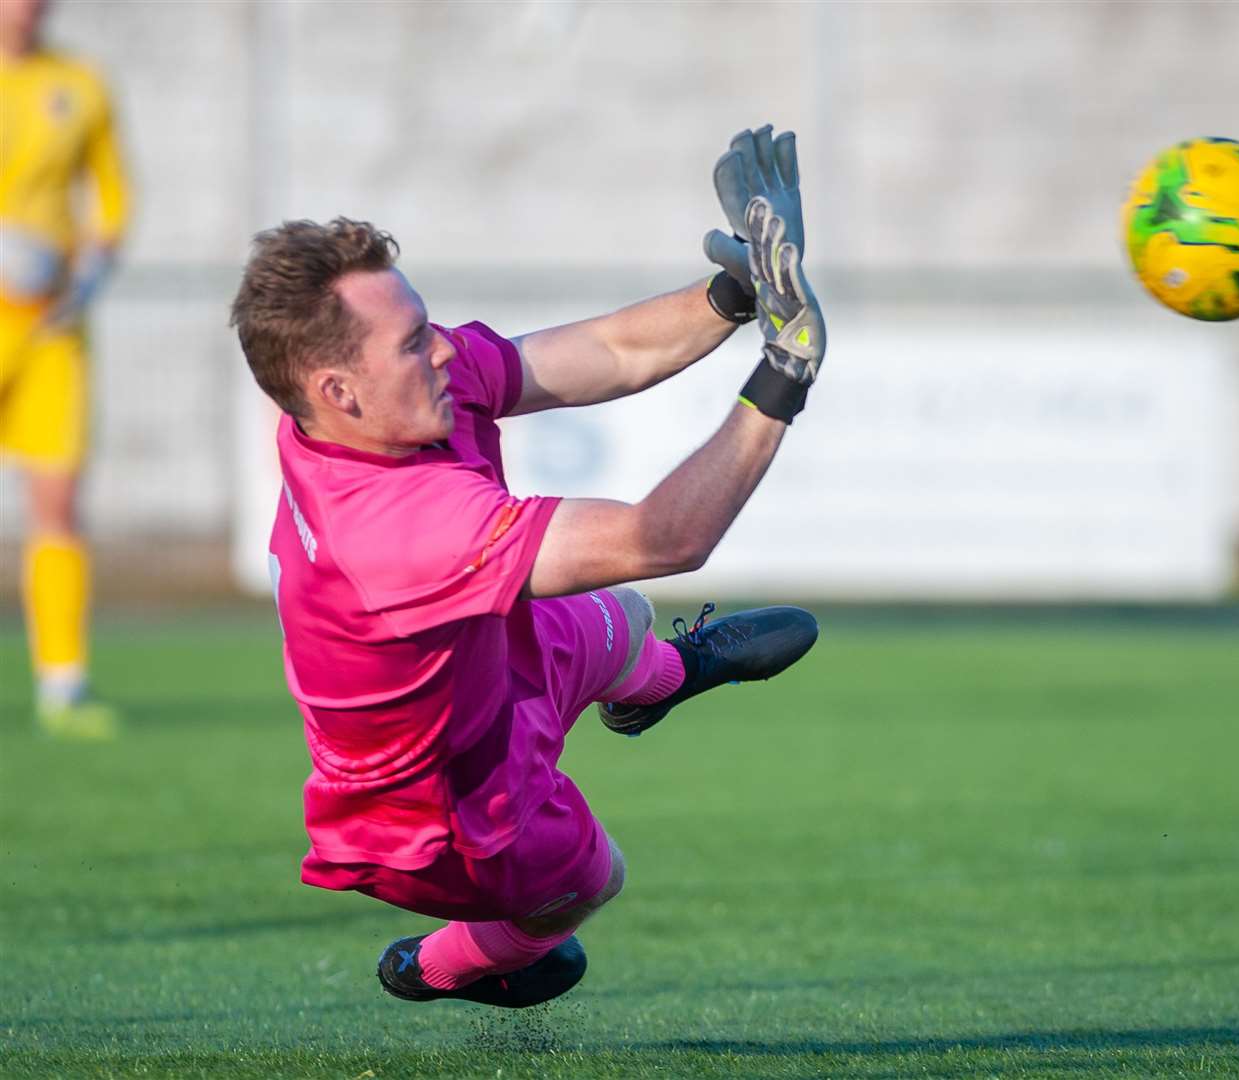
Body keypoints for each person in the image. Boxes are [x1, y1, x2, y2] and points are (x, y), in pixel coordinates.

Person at [229, 127, 825, 1007]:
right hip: (443, 811)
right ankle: (435, 966)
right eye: (409, 343)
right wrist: (783, 375)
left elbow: (607, 352)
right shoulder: (397, 529)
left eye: (424, 327)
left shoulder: (358, 406)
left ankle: (654, 681)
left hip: (472, 655)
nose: (439, 349)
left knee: (616, 616)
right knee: (591, 881)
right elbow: (664, 538)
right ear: (338, 391)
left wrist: (737, 294)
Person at [0, 0, 130, 739]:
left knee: (57, 499)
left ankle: (64, 685)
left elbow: (114, 199)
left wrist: (86, 279)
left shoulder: (81, 82)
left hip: (51, 330)